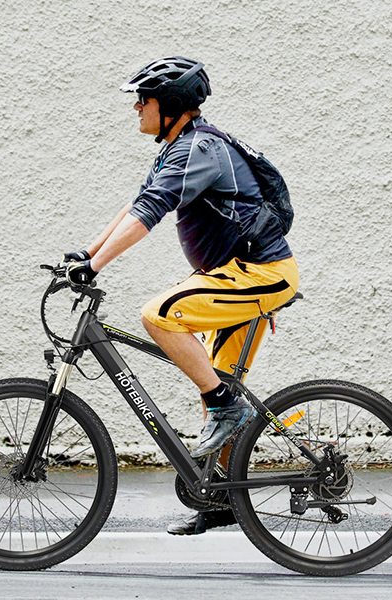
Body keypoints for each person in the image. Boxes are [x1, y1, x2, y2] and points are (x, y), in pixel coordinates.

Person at [64, 56, 299, 535]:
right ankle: (223, 499)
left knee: (161, 315)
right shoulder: (179, 148)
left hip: (258, 273)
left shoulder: (200, 148)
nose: (136, 107)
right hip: (240, 275)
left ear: (168, 105)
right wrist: (85, 253)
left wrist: (95, 266)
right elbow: (137, 202)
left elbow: (150, 211)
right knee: (218, 383)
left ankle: (226, 409)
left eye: (143, 99)